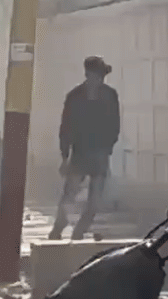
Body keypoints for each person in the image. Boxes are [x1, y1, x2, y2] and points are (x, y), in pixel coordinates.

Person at [49, 56, 121, 241]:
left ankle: (78, 232)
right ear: (89, 75)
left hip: (99, 153)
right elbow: (65, 128)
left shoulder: (109, 95)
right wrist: (65, 156)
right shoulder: (75, 97)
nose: (99, 79)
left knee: (94, 201)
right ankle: (58, 228)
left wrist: (108, 147)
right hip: (80, 153)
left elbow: (115, 124)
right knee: (69, 195)